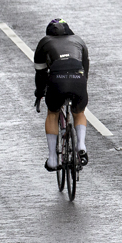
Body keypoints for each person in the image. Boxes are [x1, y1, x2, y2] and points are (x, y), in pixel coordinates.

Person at [33, 18, 90, 172]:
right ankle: (81, 145)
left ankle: (52, 159)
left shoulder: (44, 42)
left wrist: (39, 94)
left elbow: (41, 74)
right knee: (79, 112)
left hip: (57, 80)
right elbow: (85, 70)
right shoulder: (79, 40)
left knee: (52, 113)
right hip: (78, 80)